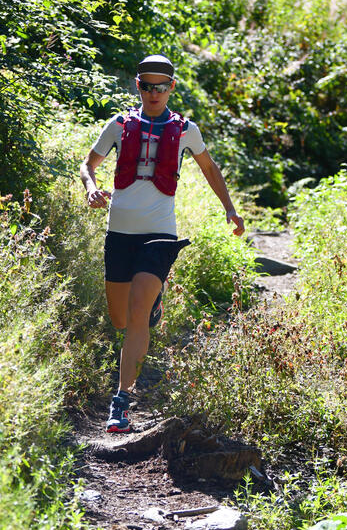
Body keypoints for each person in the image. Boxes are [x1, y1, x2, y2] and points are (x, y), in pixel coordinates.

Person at [80, 54, 245, 432]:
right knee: (120, 317)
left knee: (137, 317)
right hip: (119, 232)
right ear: (137, 86)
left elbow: (209, 168)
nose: (154, 93)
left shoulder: (186, 129)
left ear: (171, 88)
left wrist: (230, 210)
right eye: (147, 86)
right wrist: (91, 188)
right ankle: (152, 307)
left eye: (161, 87)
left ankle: (121, 402)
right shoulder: (119, 125)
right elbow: (88, 165)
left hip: (160, 233)